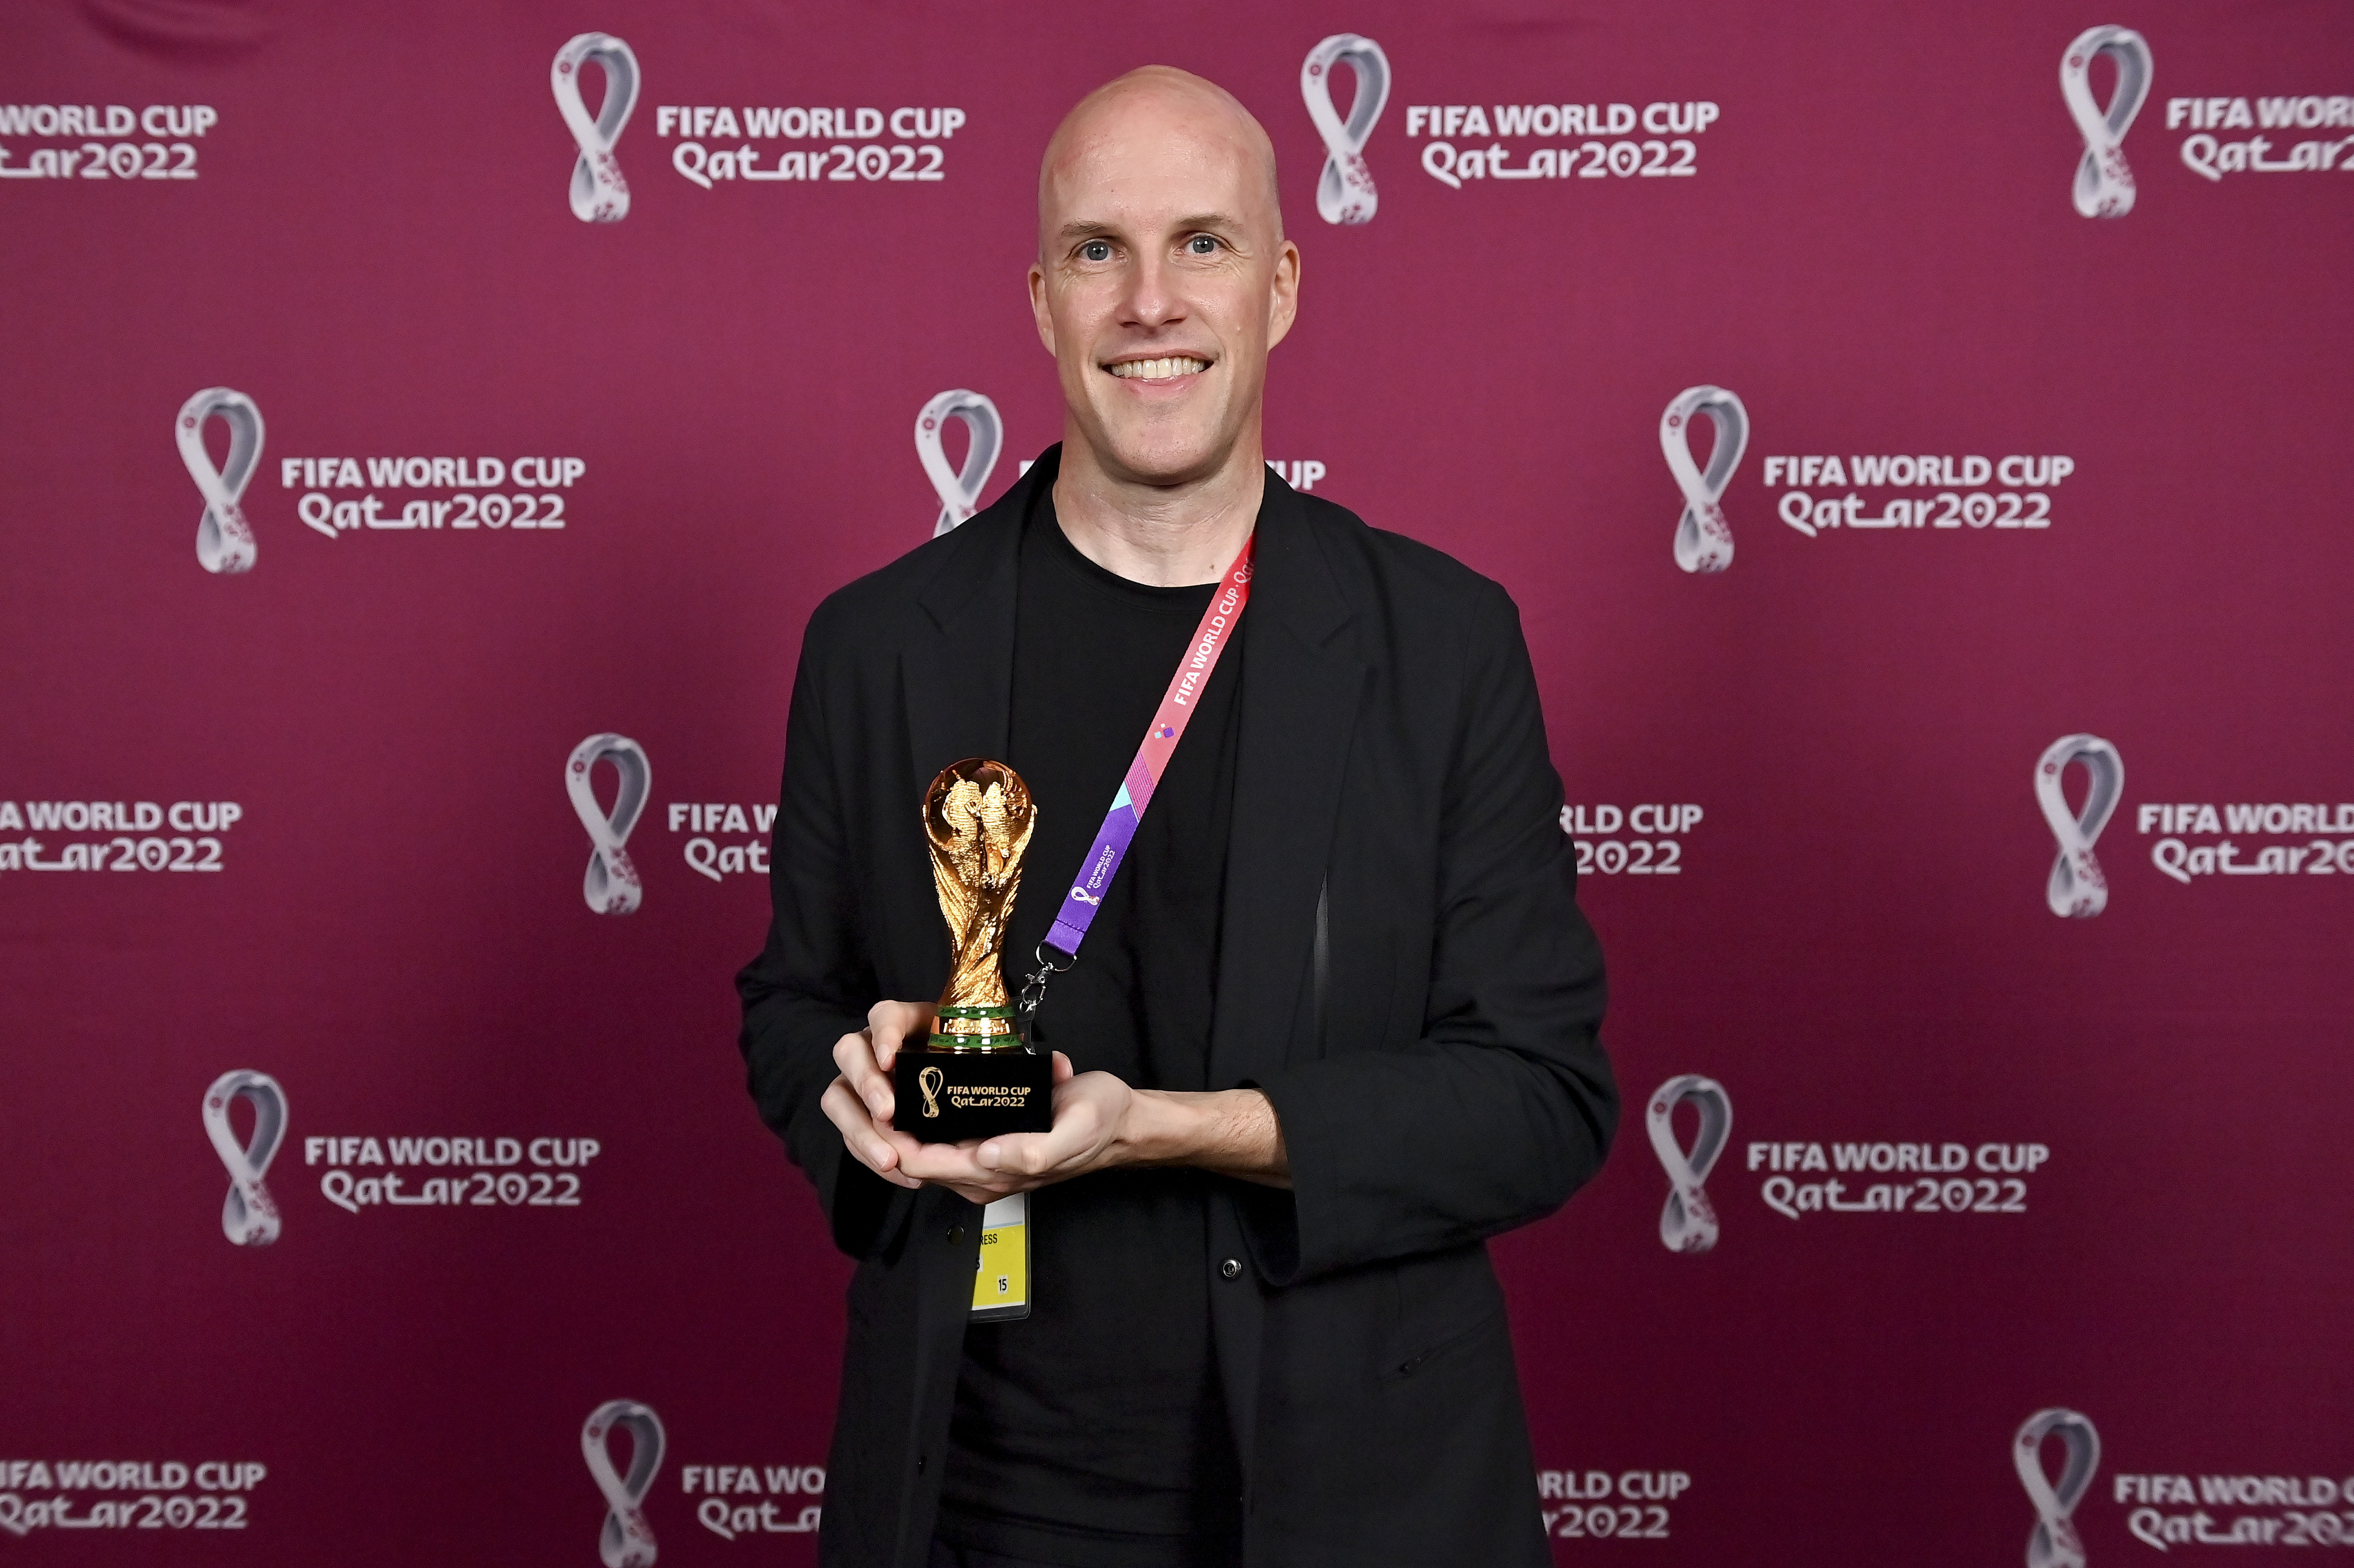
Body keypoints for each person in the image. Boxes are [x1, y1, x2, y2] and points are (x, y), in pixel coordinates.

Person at [738, 65, 1615, 1568]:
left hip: (1358, 1495)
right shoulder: (879, 643)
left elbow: (1540, 1101)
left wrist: (1162, 1130)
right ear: (1039, 301)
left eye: (1201, 244)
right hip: (975, 1496)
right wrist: (862, 1092)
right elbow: (788, 1005)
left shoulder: (1441, 642)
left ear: (1277, 288)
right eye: (1099, 252)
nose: (1150, 300)